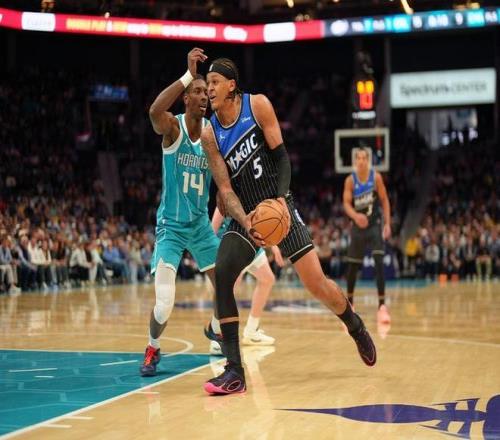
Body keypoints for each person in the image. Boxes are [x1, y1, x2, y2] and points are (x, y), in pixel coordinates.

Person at [201, 57, 376, 395]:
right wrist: (245, 220)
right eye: (207, 84)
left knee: (317, 284)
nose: (209, 89)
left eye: (214, 82)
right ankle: (234, 371)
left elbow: (282, 157)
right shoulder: (210, 134)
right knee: (222, 274)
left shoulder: (257, 105)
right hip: (247, 215)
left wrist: (281, 199)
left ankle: (355, 327)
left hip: (278, 206)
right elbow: (224, 189)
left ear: (231, 85)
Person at [140, 47, 222, 377]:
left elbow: (224, 178)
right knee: (164, 304)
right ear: (187, 98)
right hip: (171, 227)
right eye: (198, 91)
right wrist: (188, 75)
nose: (204, 96)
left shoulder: (211, 135)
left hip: (200, 226)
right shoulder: (173, 128)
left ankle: (215, 328)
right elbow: (153, 111)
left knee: (226, 283)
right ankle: (152, 346)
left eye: (206, 92)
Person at [207, 207, 283, 355]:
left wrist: (273, 245)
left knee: (267, 279)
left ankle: (251, 331)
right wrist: (210, 244)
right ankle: (217, 336)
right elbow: (219, 211)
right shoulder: (234, 193)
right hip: (232, 239)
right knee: (229, 288)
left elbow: (261, 217)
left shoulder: (258, 195)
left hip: (251, 239)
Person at [342, 147, 392, 324]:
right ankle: (350, 304)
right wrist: (355, 216)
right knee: (352, 267)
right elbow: (346, 203)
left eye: (364, 158)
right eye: (359, 158)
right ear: (355, 161)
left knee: (379, 263)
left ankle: (382, 307)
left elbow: (385, 200)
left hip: (374, 226)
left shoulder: (376, 177)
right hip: (358, 227)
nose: (362, 161)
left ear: (368, 161)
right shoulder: (350, 180)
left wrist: (387, 223)